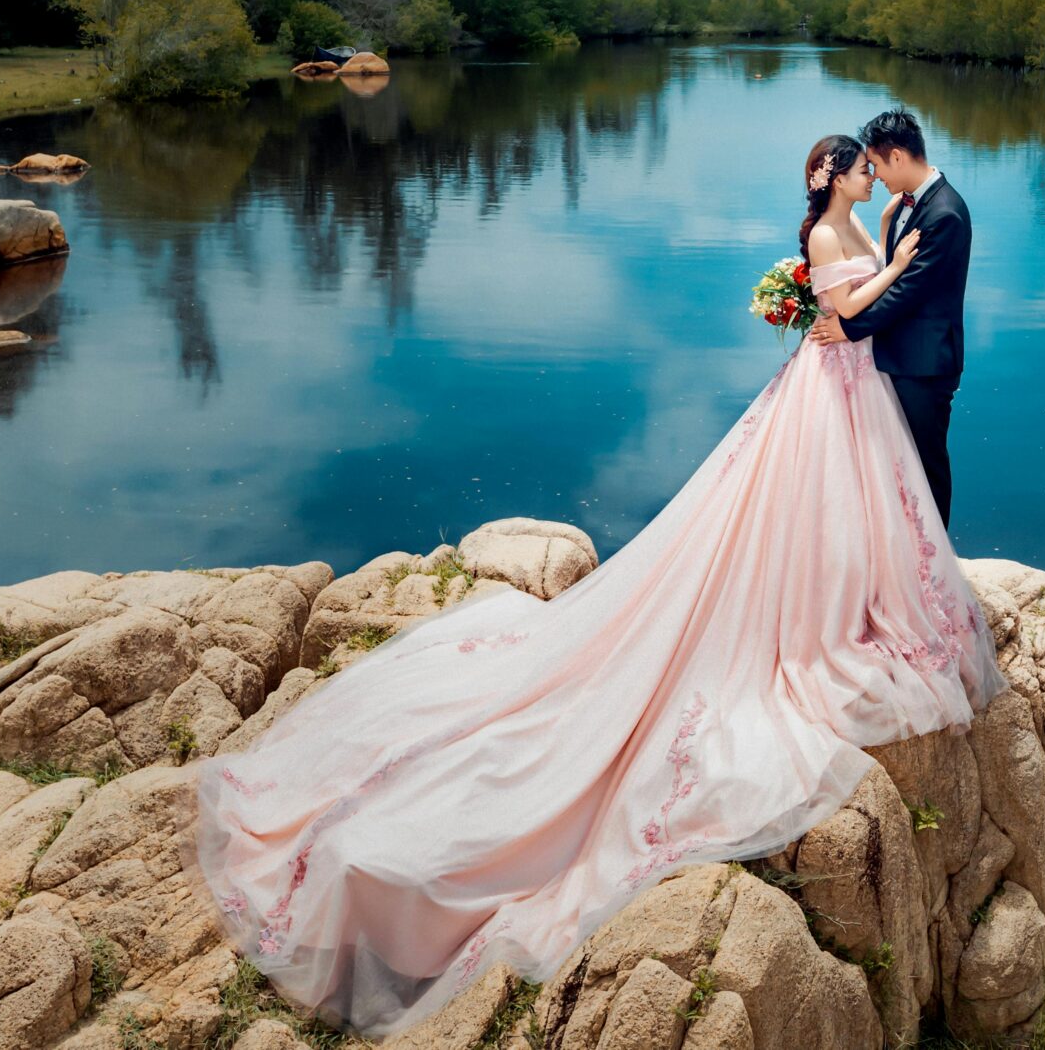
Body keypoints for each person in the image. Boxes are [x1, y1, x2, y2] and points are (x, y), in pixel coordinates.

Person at [192, 133, 1002, 1037]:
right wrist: (875, 276)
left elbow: (863, 299)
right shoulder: (830, 236)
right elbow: (845, 303)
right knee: (795, 509)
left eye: (865, 167)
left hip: (854, 381)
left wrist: (882, 267)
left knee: (851, 507)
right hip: (833, 377)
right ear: (834, 177)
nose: (865, 176)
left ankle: (855, 597)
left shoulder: (880, 219)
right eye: (855, 168)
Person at [811, 108, 970, 525]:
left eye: (876, 166)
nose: (875, 176)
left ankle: (934, 568)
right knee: (896, 469)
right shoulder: (903, 205)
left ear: (897, 156)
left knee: (926, 466)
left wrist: (846, 329)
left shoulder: (944, 214)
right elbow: (885, 273)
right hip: (892, 359)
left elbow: (905, 292)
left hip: (924, 363)